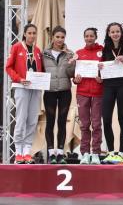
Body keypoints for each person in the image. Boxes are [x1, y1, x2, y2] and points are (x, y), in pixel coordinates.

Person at [6, 24, 44, 164]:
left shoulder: (38, 50)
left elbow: (41, 69)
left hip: (35, 88)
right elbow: (8, 67)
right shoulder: (16, 47)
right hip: (21, 87)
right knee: (21, 118)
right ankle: (18, 152)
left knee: (33, 119)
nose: (32, 36)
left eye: (34, 33)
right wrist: (19, 79)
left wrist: (42, 80)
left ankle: (27, 151)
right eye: (29, 33)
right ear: (24, 34)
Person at [100, 22, 123, 164]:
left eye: (117, 31)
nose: (115, 34)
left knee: (122, 119)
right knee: (106, 119)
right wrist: (99, 68)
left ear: (121, 33)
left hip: (122, 87)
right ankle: (111, 152)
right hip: (108, 87)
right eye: (112, 32)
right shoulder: (104, 50)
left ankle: (120, 152)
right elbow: (100, 70)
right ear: (108, 34)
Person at [42, 26, 75, 164]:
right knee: (50, 122)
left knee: (62, 122)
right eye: (57, 37)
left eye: (62, 37)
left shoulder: (70, 53)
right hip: (49, 92)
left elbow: (72, 74)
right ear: (52, 37)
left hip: (65, 92)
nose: (60, 40)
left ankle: (60, 153)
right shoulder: (44, 53)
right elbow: (40, 70)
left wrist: (71, 62)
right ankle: (51, 153)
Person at [73, 27, 103, 165]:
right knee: (84, 125)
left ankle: (96, 153)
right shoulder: (78, 54)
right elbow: (74, 75)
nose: (89, 38)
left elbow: (107, 70)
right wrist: (75, 80)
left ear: (95, 37)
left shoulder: (102, 51)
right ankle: (84, 153)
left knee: (96, 124)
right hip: (82, 93)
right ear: (84, 37)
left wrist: (102, 79)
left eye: (91, 36)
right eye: (87, 36)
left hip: (98, 93)